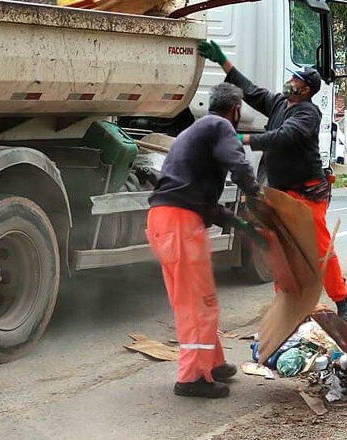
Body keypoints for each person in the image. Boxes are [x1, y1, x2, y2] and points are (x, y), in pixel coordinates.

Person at [198, 40, 347, 322]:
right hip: (281, 193)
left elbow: (284, 137)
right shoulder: (280, 103)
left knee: (319, 251)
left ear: (305, 89)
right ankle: (286, 303)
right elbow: (251, 91)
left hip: (308, 195)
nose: (289, 81)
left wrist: (241, 138)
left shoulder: (308, 113)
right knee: (280, 251)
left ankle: (341, 299)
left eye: (295, 79)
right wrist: (223, 61)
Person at [147, 83, 264, 398]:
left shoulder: (196, 131)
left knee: (197, 298)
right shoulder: (221, 126)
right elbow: (239, 165)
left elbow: (204, 202)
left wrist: (239, 224)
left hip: (164, 221)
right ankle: (192, 377)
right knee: (198, 303)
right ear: (236, 109)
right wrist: (258, 196)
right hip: (181, 224)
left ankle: (211, 363)